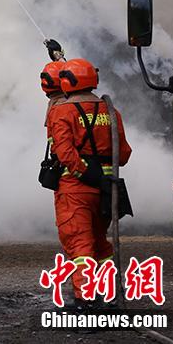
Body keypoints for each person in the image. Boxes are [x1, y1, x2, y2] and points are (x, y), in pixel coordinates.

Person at [47, 58, 132, 309]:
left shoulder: (62, 111)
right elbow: (123, 154)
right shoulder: (110, 111)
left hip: (74, 189)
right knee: (100, 243)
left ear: (66, 82)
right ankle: (109, 295)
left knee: (79, 244)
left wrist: (85, 172)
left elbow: (65, 154)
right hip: (106, 190)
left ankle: (87, 302)